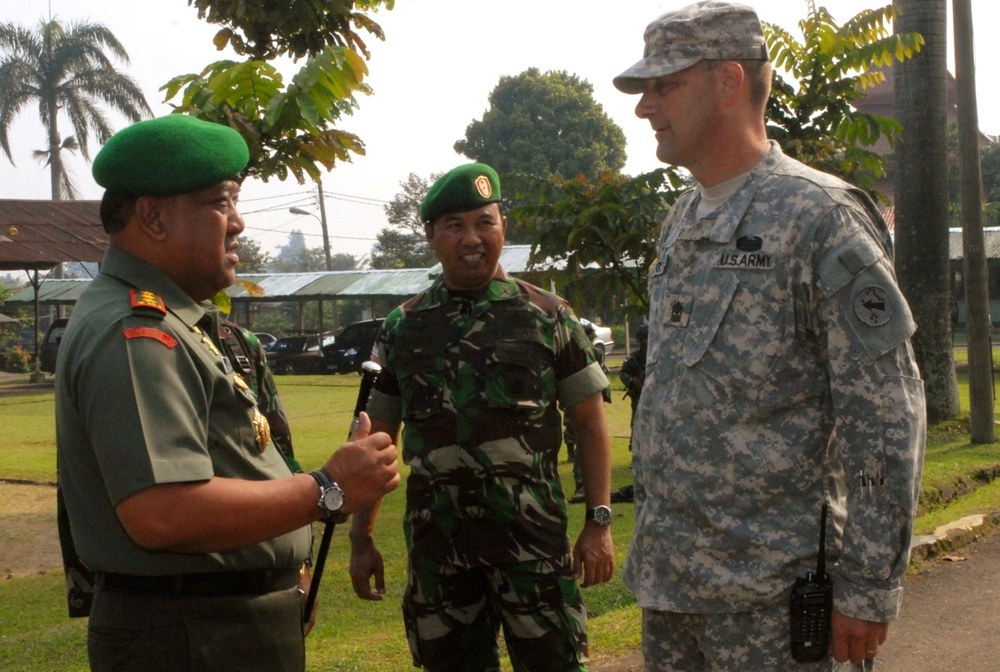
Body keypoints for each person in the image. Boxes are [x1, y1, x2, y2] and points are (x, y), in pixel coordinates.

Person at [613, 3, 926, 671]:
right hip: (673, 589)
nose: (646, 107)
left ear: (728, 81)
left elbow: (885, 410)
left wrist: (869, 587)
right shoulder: (682, 217)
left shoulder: (821, 218)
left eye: (665, 85)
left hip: (775, 601)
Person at [55, 114, 400, 672]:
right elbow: (163, 512)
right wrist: (328, 488)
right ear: (153, 217)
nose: (238, 223)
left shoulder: (175, 323)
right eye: (220, 203)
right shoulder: (138, 331)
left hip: (214, 626)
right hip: (190, 636)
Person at [348, 163, 615, 672]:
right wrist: (361, 539)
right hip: (439, 554)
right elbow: (375, 438)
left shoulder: (549, 316)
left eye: (484, 222)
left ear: (503, 228)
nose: (472, 239)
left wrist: (598, 523)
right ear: (431, 236)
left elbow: (590, 424)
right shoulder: (403, 327)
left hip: (533, 549)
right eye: (454, 226)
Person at [618, 324, 648, 452]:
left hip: (656, 395)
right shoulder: (633, 358)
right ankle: (636, 450)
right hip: (639, 397)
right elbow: (623, 374)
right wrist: (633, 381)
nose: (647, 341)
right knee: (637, 423)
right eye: (644, 338)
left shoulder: (659, 354)